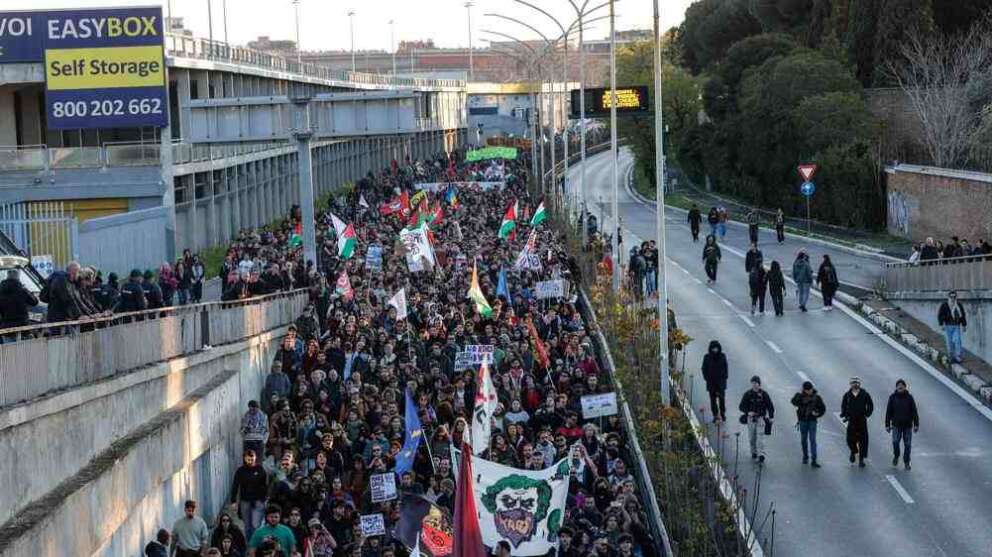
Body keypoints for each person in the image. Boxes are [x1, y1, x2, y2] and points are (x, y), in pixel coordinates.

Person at [230, 449, 268, 539]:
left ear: (255, 458)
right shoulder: (240, 471)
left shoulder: (260, 469)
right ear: (245, 459)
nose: (250, 461)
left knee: (255, 524)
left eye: (252, 459)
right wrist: (233, 500)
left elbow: (265, 485)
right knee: (247, 525)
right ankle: (249, 543)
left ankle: (255, 542)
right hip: (245, 500)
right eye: (248, 459)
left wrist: (264, 498)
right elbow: (235, 485)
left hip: (258, 500)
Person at [885, 379, 919, 471]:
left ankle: (907, 462)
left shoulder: (909, 398)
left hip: (907, 426)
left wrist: (916, 424)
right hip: (896, 425)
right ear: (896, 387)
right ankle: (896, 456)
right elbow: (888, 412)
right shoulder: (892, 397)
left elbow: (914, 411)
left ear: (905, 387)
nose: (900, 387)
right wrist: (887, 424)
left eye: (902, 385)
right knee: (895, 442)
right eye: (898, 386)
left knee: (908, 445)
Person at [739, 375, 774, 462]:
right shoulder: (748, 394)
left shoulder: (764, 394)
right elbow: (741, 406)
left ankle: (761, 454)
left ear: (759, 384)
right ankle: (754, 452)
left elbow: (770, 406)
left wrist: (771, 417)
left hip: (761, 418)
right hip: (750, 419)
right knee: (752, 438)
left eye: (756, 383)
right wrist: (748, 412)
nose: (754, 385)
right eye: (753, 383)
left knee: (760, 438)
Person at [790, 381, 826, 467]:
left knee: (812, 439)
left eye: (810, 389)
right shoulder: (800, 396)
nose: (810, 391)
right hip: (802, 421)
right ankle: (805, 456)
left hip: (812, 421)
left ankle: (814, 459)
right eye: (807, 390)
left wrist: (817, 414)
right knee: (803, 440)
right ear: (804, 390)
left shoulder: (817, 398)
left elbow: (823, 409)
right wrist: (799, 396)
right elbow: (793, 402)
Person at [840, 377, 874, 467]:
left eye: (856, 383)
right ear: (851, 384)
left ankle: (861, 460)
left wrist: (867, 414)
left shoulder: (865, 394)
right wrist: (844, 414)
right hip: (851, 420)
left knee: (863, 440)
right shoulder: (847, 395)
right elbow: (844, 406)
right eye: (853, 383)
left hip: (861, 420)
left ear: (859, 384)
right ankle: (853, 451)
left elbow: (870, 405)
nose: (855, 384)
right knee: (850, 439)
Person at [701, 340, 728, 422]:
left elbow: (725, 367)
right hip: (711, 383)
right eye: (713, 348)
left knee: (722, 399)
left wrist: (725, 378)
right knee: (713, 400)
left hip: (721, 383)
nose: (715, 350)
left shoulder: (722, 356)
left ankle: (722, 414)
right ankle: (715, 415)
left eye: (716, 348)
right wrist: (706, 378)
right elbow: (704, 368)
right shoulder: (707, 357)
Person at [937, 290, 967, 363]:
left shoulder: (958, 305)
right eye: (951, 297)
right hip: (948, 326)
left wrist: (964, 325)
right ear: (949, 297)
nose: (953, 298)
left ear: (956, 297)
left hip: (956, 326)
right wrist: (941, 324)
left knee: (957, 341)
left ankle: (958, 356)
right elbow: (940, 315)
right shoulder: (944, 305)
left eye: (954, 297)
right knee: (949, 342)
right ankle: (951, 356)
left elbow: (962, 315)